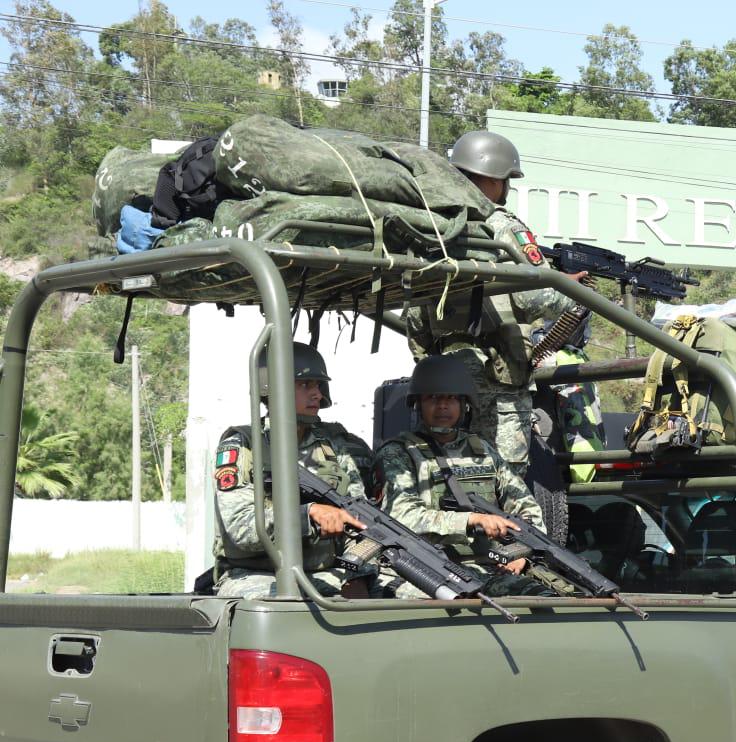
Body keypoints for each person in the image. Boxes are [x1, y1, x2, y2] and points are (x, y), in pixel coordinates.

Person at [407, 130, 585, 485]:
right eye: (505, 180)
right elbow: (534, 297)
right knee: (504, 484)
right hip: (497, 386)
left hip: (443, 383)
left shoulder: (430, 227)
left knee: (446, 477)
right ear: (490, 178)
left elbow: (415, 317)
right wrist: (572, 291)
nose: (506, 188)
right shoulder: (500, 225)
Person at [374, 354, 547, 599]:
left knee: (543, 598)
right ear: (418, 404)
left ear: (464, 404)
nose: (443, 406)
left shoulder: (483, 451)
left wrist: (520, 551)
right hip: (425, 568)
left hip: (487, 568)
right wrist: (470, 520)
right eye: (433, 398)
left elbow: (526, 506)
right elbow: (402, 515)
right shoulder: (399, 453)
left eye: (451, 399)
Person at [211, 344, 374, 598]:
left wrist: (358, 572)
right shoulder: (243, 444)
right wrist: (308, 515)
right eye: (305, 385)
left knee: (381, 598)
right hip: (255, 574)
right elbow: (240, 527)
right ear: (274, 387)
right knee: (282, 608)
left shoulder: (335, 444)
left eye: (319, 386)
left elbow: (359, 515)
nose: (317, 395)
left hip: (325, 570)